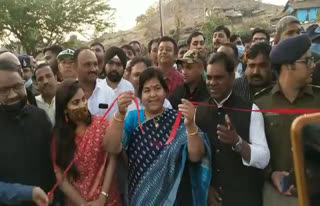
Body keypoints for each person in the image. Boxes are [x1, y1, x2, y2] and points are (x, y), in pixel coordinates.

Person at [103, 67, 211, 205]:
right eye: (147, 90)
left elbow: (196, 156)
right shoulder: (133, 119)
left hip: (174, 198)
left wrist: (190, 124)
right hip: (139, 194)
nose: (153, 94)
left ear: (166, 92)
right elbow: (111, 147)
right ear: (140, 96)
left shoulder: (179, 119)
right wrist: (120, 114)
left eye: (157, 88)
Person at [196, 52, 270, 206]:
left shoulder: (251, 110)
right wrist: (206, 188)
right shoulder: (199, 111)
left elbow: (263, 158)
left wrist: (238, 143)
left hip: (244, 198)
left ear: (232, 77)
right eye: (209, 77)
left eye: (218, 78)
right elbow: (196, 159)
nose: (212, 82)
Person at [254, 34, 319, 206]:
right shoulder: (261, 104)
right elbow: (254, 150)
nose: (313, 65)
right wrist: (271, 174)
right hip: (278, 195)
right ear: (288, 66)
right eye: (306, 61)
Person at [52, 79, 120, 206]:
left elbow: (112, 159)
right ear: (65, 109)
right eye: (75, 102)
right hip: (76, 201)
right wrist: (83, 204)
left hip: (107, 200)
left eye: (83, 99)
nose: (82, 105)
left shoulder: (102, 124)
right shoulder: (58, 136)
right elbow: (61, 179)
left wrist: (102, 198)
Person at [0, 60, 55, 206]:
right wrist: (28, 193)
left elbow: (54, 161)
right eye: (3, 90)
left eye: (17, 86)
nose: (12, 95)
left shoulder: (40, 117)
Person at [73, 47, 114, 117]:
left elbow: (114, 123)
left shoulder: (108, 92)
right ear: (75, 67)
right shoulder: (66, 93)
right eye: (87, 65)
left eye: (95, 64)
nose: (93, 69)